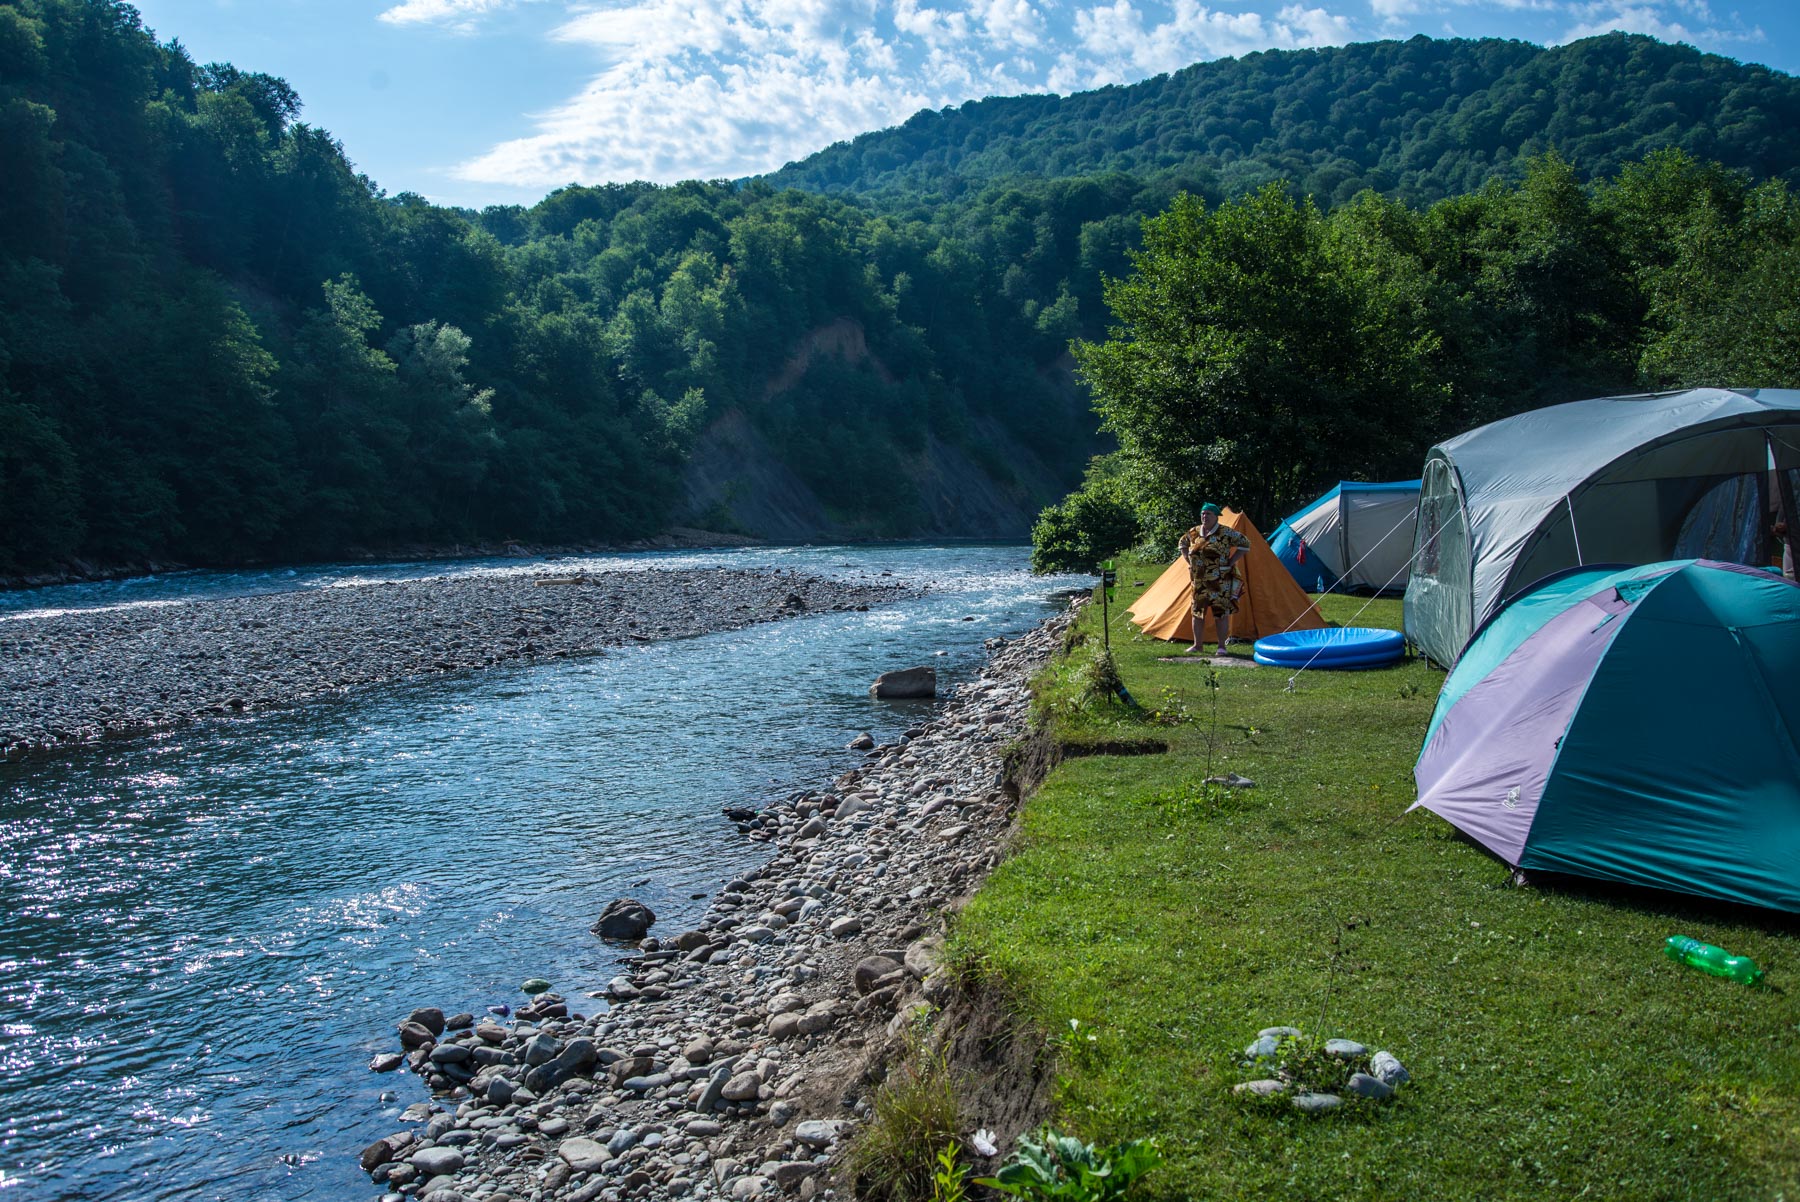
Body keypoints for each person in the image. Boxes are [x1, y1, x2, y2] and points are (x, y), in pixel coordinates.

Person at [1178, 502, 1250, 655]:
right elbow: (1182, 543)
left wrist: (1231, 561)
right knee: (1197, 613)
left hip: (1219, 581)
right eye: (1203, 513)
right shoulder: (1194, 532)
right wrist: (1188, 560)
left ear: (1216, 516)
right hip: (1198, 581)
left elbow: (1245, 544)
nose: (1205, 516)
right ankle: (1198, 645)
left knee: (1220, 614)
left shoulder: (1226, 533)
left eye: (1208, 514)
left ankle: (1221, 647)